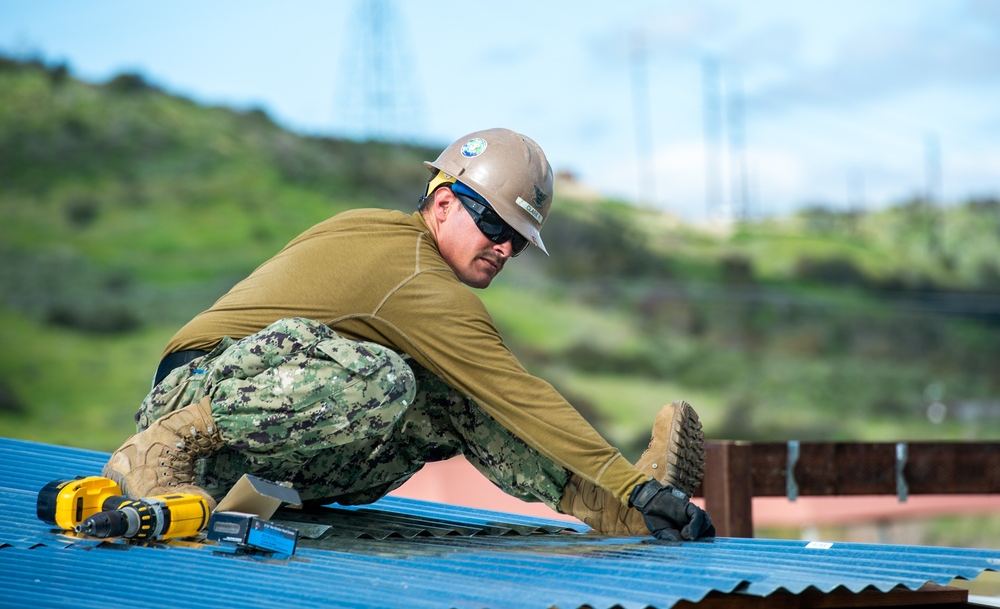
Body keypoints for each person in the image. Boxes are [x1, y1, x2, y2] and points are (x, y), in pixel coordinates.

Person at [102, 127, 714, 541]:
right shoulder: (413, 270)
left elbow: (494, 398)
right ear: (444, 203)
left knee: (446, 396)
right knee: (382, 378)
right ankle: (159, 451)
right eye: (494, 225)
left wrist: (627, 492)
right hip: (193, 399)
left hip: (260, 463)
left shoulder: (391, 247)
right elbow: (517, 390)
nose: (503, 248)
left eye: (518, 243)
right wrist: (636, 483)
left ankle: (611, 511)